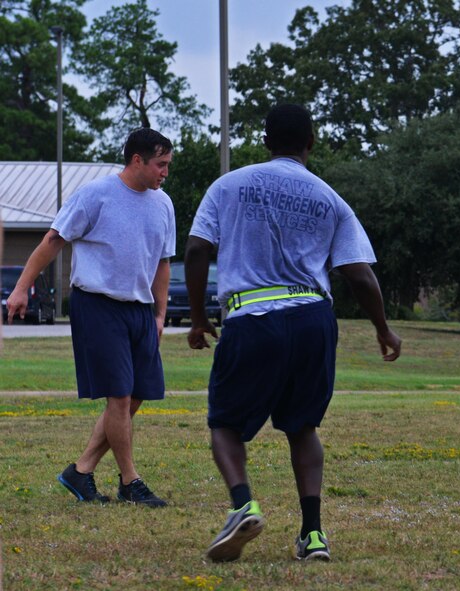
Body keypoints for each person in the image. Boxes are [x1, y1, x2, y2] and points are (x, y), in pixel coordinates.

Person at [186, 103, 402, 563]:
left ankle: (243, 503)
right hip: (311, 320)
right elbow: (359, 275)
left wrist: (201, 318)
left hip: (251, 317)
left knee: (225, 424)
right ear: (311, 142)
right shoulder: (329, 198)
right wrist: (383, 328)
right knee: (303, 426)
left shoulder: (228, 185)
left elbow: (197, 247)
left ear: (265, 141)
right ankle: (313, 535)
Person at [6, 128, 176, 508]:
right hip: (98, 305)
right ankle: (130, 482)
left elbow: (163, 262)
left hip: (140, 309)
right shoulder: (95, 195)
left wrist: (161, 313)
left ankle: (80, 472)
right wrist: (21, 288)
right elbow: (53, 240)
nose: (165, 172)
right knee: (118, 396)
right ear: (137, 160)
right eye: (161, 164)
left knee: (136, 396)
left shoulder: (163, 204)